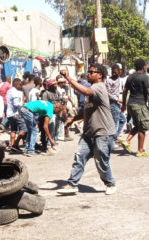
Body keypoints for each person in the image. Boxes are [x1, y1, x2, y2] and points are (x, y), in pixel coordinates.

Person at [57, 64, 117, 195]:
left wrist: (68, 78)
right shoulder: (92, 89)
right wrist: (73, 119)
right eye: (88, 72)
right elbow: (87, 110)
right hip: (89, 132)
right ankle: (72, 184)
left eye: (91, 72)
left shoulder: (99, 87)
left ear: (100, 75)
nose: (88, 74)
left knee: (101, 161)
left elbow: (85, 91)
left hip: (103, 132)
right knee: (79, 157)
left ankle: (110, 183)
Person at [121, 59, 149, 157]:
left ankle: (127, 140)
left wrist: (124, 104)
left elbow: (125, 91)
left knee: (139, 125)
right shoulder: (144, 77)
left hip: (130, 104)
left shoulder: (130, 77)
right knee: (143, 127)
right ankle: (140, 150)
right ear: (144, 67)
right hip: (139, 104)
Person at [6, 78, 27, 153]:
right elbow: (16, 104)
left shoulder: (9, 91)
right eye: (20, 84)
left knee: (13, 130)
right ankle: (15, 144)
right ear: (16, 84)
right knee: (24, 129)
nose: (21, 86)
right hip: (15, 113)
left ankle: (12, 146)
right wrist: (23, 106)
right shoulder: (15, 92)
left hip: (9, 114)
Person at [105, 64, 123, 146]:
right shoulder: (109, 81)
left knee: (123, 120)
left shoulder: (120, 79)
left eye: (115, 72)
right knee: (115, 124)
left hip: (119, 104)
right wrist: (117, 99)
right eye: (113, 72)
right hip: (113, 103)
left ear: (120, 71)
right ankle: (111, 143)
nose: (114, 74)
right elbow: (107, 93)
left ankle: (114, 138)